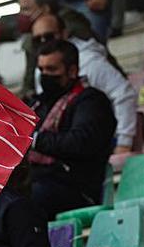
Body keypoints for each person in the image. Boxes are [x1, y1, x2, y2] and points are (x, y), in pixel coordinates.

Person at [26, 40, 117, 220]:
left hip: (76, 189)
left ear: (72, 71)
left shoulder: (91, 101)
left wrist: (34, 139)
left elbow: (80, 142)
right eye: (41, 70)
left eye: (52, 69)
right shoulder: (38, 104)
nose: (45, 75)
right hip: (39, 181)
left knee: (24, 201)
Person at [31, 13, 136, 154]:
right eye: (38, 40)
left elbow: (124, 94)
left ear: (64, 33)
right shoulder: (40, 68)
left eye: (49, 36)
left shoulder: (91, 62)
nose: (44, 42)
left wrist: (124, 142)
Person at [17, 0, 98, 97]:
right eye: (20, 9)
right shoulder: (31, 39)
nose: (22, 15)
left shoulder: (71, 26)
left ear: (45, 9)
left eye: (26, 9)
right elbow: (29, 81)